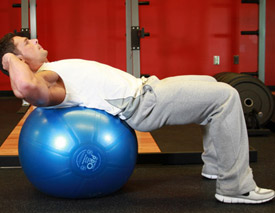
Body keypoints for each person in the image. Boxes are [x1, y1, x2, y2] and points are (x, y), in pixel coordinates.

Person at [0, 32, 274, 204]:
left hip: (148, 88)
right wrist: (10, 60)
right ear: (19, 59)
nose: (35, 40)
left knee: (210, 85)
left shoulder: (50, 69)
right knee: (225, 96)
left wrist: (16, 58)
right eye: (26, 43)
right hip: (145, 102)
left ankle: (215, 167)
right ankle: (235, 186)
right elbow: (25, 88)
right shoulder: (46, 79)